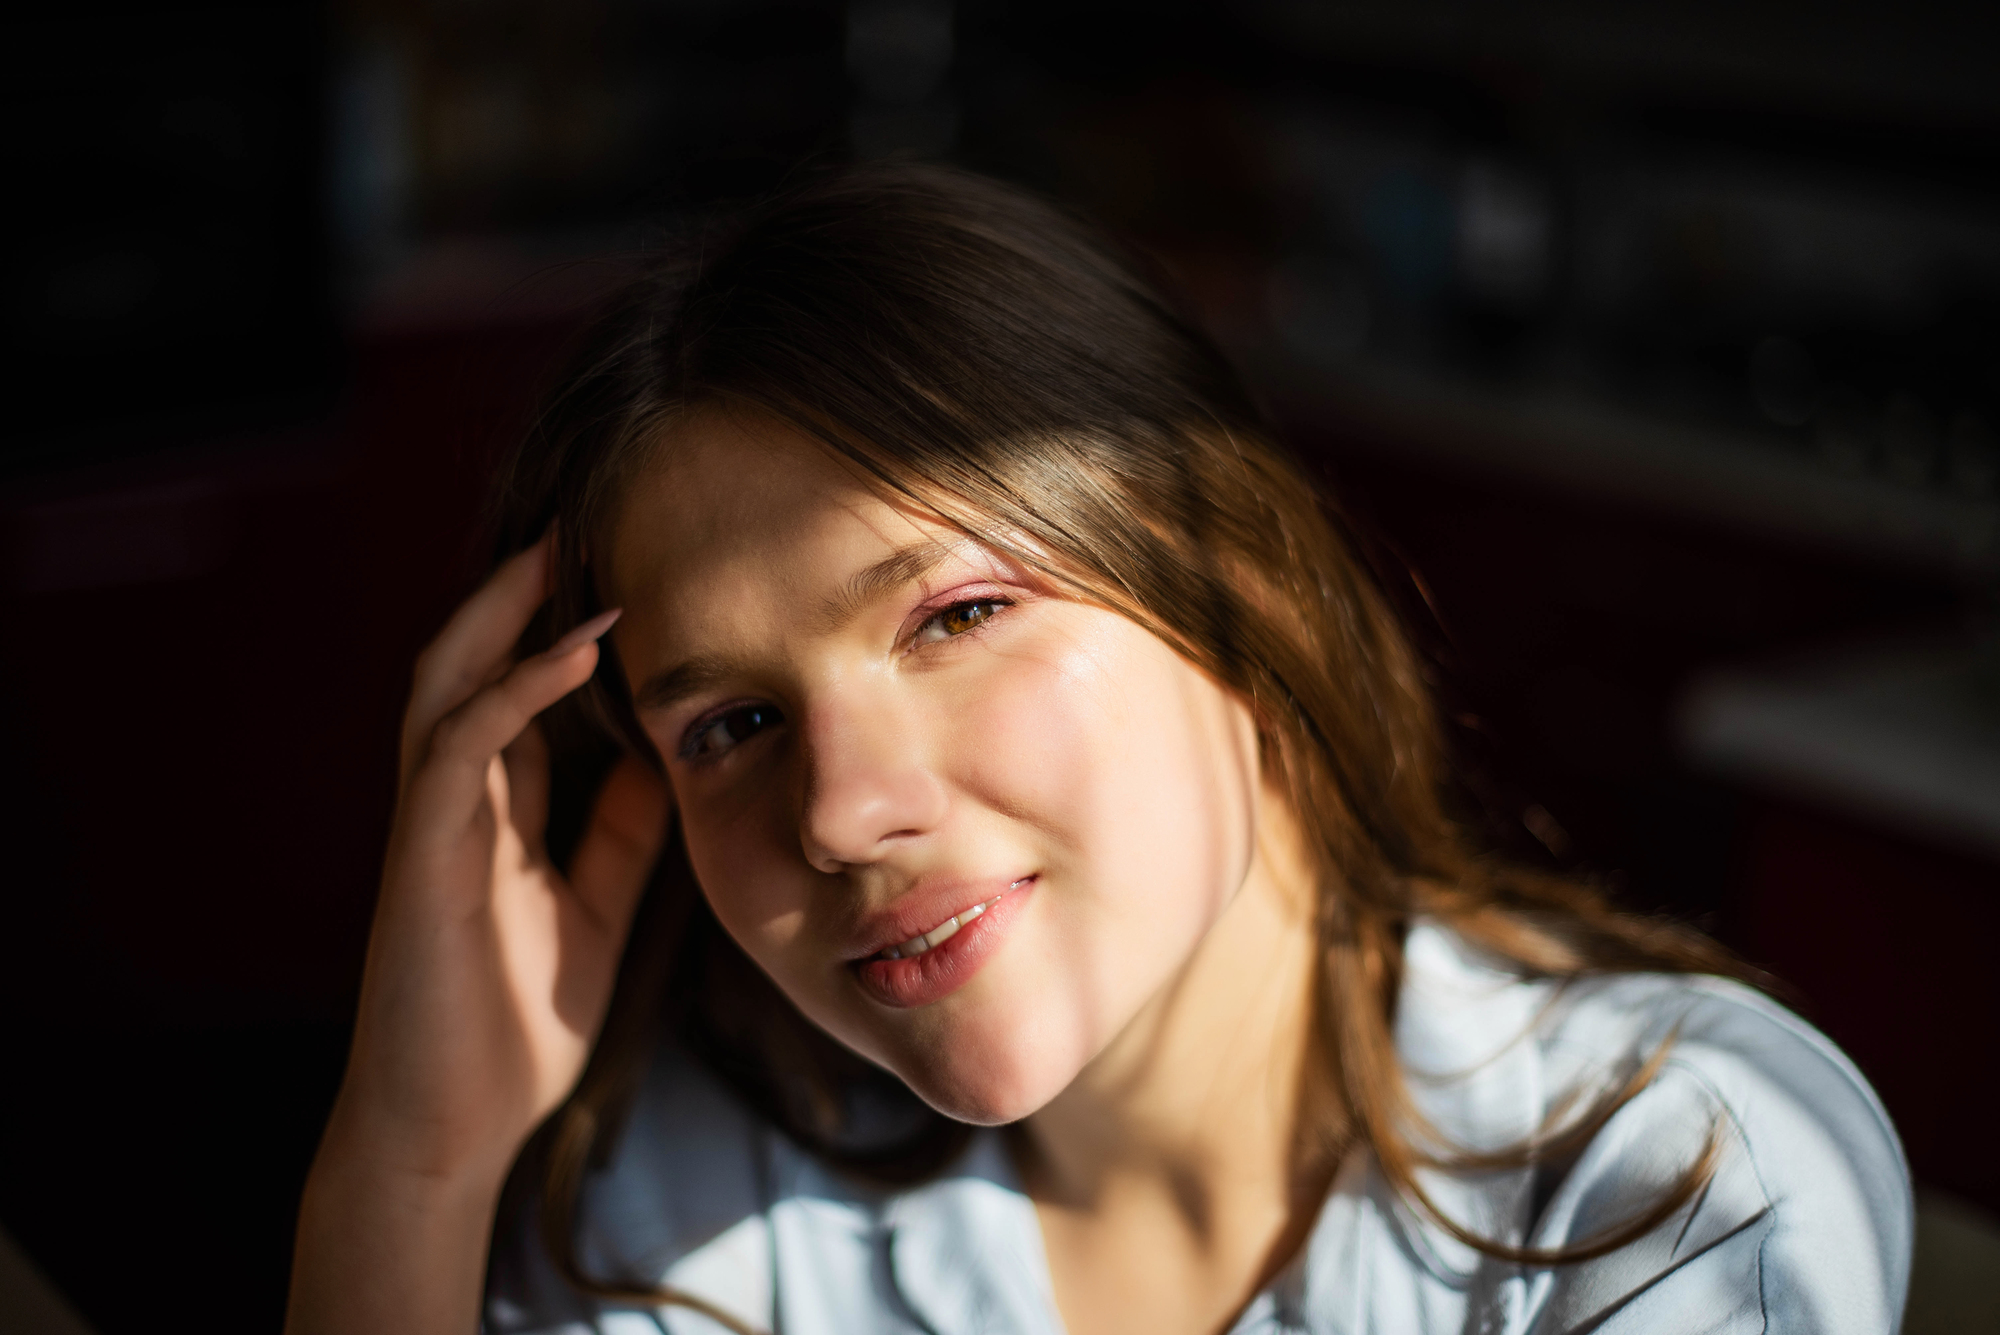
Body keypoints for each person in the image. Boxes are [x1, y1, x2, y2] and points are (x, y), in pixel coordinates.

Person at [284, 164, 1911, 1335]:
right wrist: (415, 1164)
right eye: (735, 725)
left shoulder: (1672, 1171)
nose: (842, 812)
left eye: (954, 617)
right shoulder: (704, 1202)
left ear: (1241, 590)